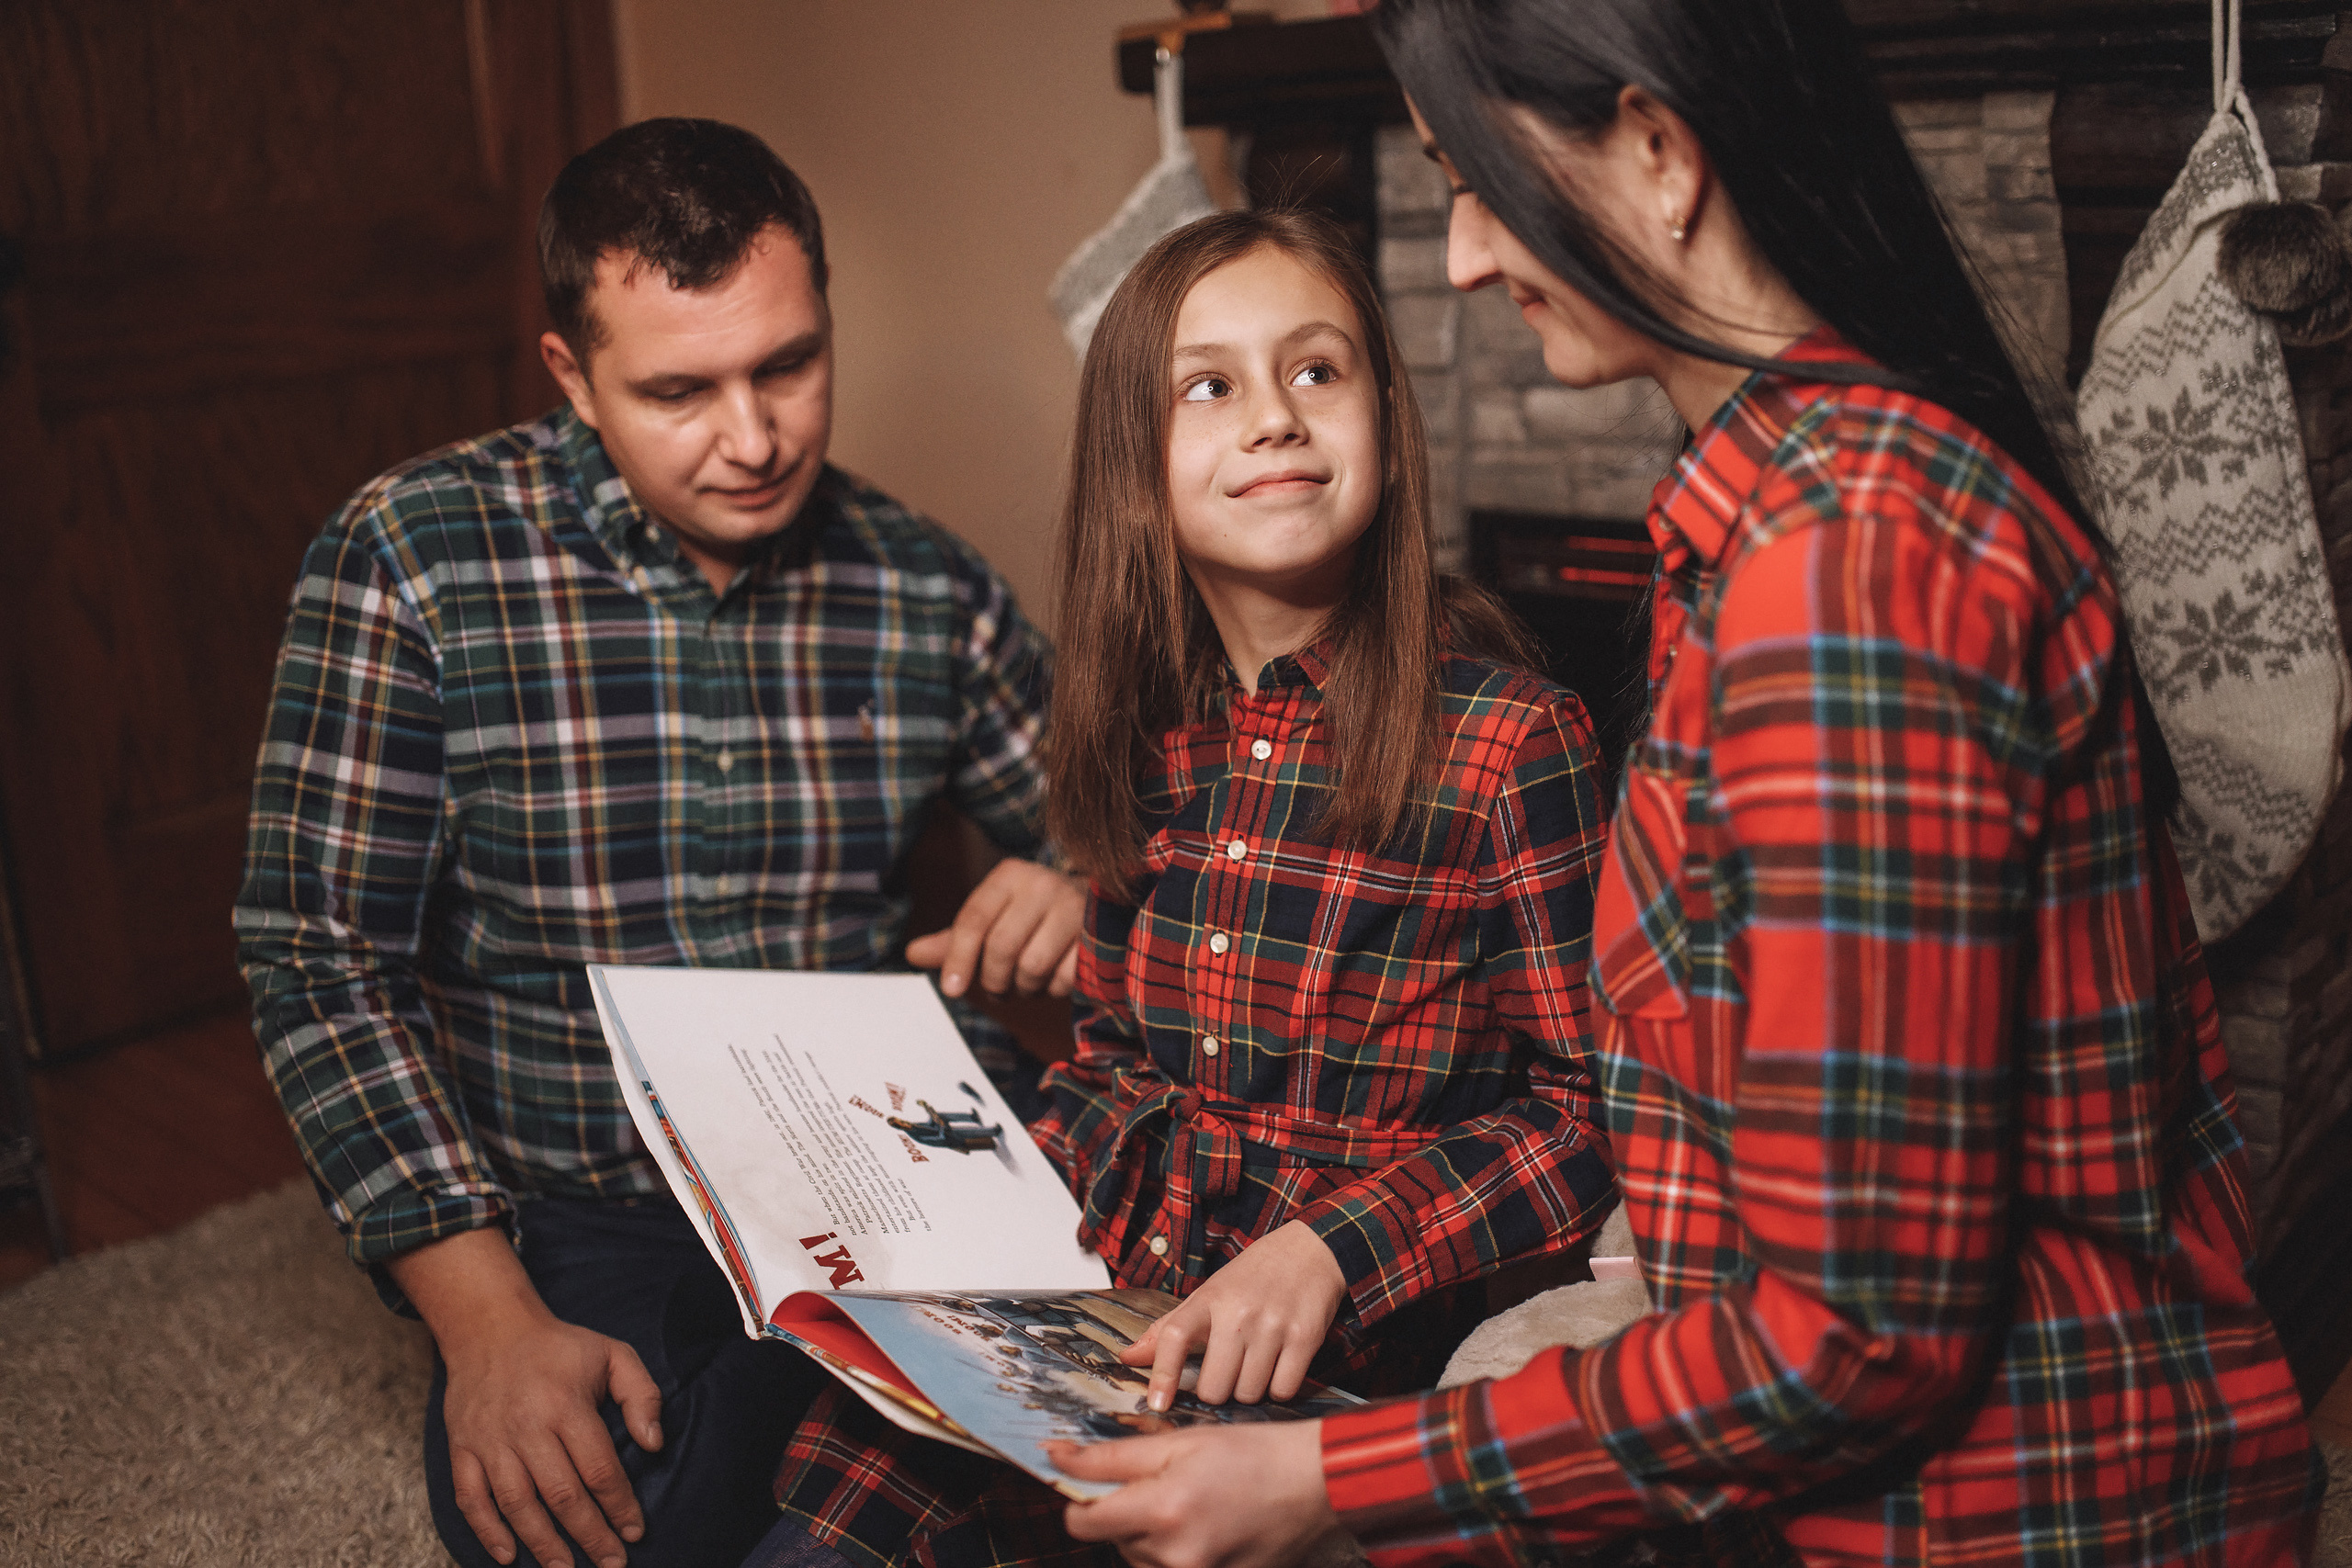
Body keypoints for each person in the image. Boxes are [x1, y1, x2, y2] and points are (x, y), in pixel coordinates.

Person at [1047, 3, 2324, 1565]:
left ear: (1656, 154)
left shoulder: (1846, 570)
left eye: (1473, 181)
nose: (1456, 257)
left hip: (2000, 1509)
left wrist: (1338, 1482)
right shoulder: (1774, 521)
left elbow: (1855, 1336)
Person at [234, 118, 1084, 1568]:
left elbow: (1113, 822)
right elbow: (318, 963)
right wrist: (489, 1324)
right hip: (586, 1196)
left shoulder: (921, 579)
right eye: (680, 390)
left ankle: (861, 1416)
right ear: (571, 375)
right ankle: (856, 1423)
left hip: (878, 1166)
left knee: (1121, 1421)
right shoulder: (411, 558)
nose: (753, 440)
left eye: (790, 366)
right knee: (572, 1516)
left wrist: (1073, 872)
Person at [749, 208, 1617, 1568]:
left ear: (1387, 416)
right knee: (843, 1504)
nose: (1274, 417)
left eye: (1315, 371)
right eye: (1209, 387)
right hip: (1101, 1304)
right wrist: (956, 1220)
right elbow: (1108, 1064)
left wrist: (1333, 1251)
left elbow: (1591, 1118)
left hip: (1323, 1355)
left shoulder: (1513, 744)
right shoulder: (1145, 735)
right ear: (1138, 475)